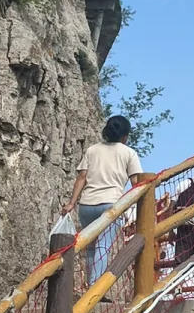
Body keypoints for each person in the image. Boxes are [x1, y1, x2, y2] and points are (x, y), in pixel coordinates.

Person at [61, 116, 144, 284]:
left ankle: (90, 283)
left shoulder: (92, 150)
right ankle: (94, 287)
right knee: (103, 247)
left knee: (90, 247)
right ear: (125, 136)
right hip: (111, 205)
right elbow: (136, 183)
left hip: (87, 205)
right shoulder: (129, 153)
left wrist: (71, 203)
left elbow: (82, 177)